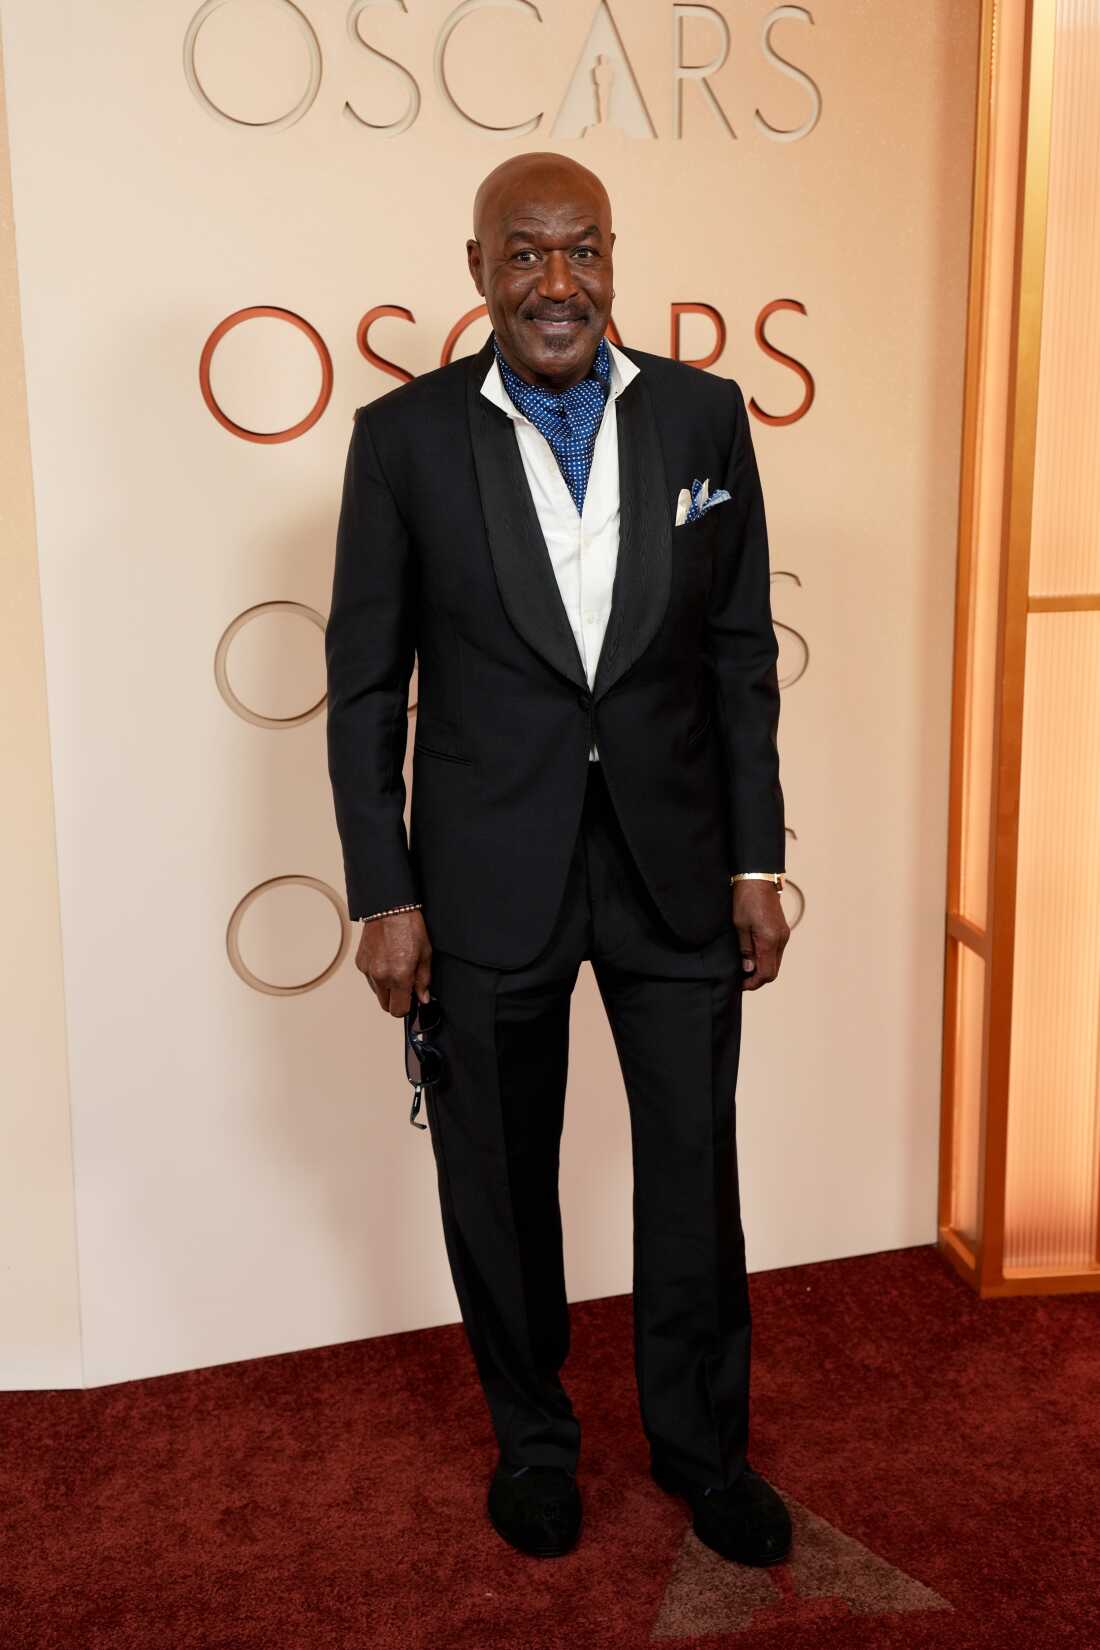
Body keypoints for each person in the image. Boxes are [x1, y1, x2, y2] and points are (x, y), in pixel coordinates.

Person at [324, 152, 792, 1567]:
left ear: (613, 260)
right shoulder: (401, 440)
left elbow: (738, 659)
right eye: (523, 254)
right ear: (476, 274)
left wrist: (758, 859)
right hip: (484, 878)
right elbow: (364, 686)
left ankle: (703, 1448)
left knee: (692, 1168)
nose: (556, 281)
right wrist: (385, 889)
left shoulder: (704, 418)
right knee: (500, 1179)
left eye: (580, 249)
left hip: (673, 863)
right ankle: (535, 1445)